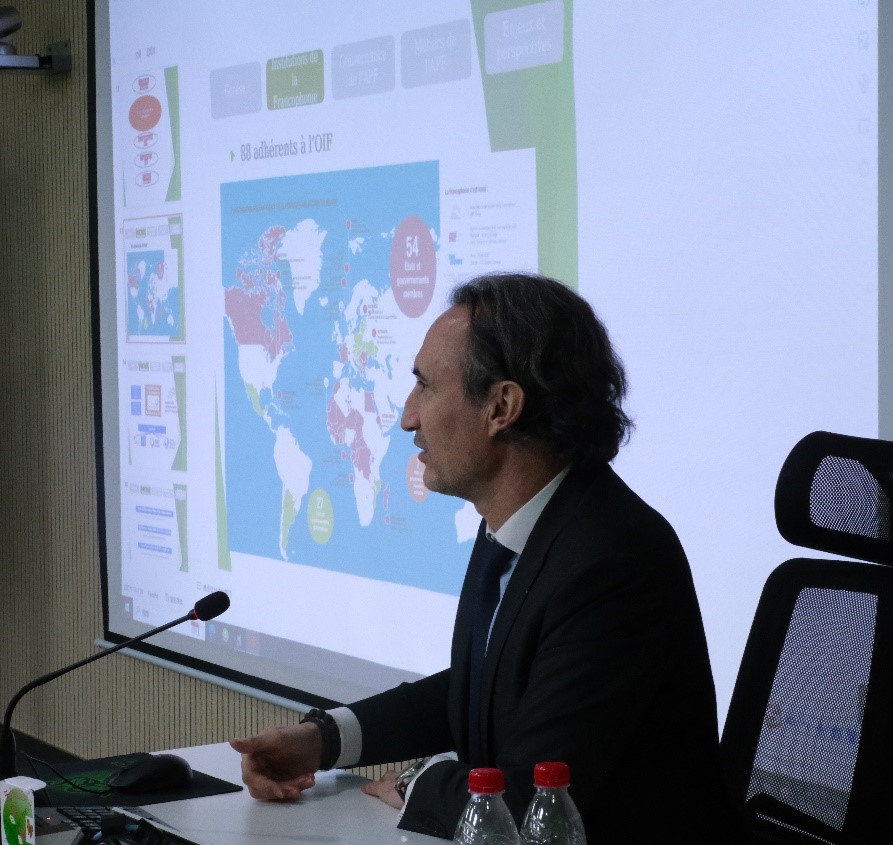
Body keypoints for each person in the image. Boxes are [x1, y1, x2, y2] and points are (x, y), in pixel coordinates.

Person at [231, 272, 720, 842]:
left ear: (501, 407)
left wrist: (416, 780)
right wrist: (324, 739)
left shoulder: (612, 561)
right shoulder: (522, 525)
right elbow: (479, 690)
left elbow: (531, 802)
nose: (407, 416)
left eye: (425, 386)